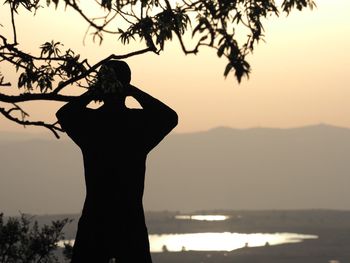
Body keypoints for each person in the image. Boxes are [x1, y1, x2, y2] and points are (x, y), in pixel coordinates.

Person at [56, 60, 178, 262]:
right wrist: (134, 91)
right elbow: (169, 117)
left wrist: (92, 93)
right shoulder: (137, 124)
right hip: (129, 217)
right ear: (126, 84)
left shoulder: (91, 124)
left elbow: (64, 114)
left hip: (96, 216)